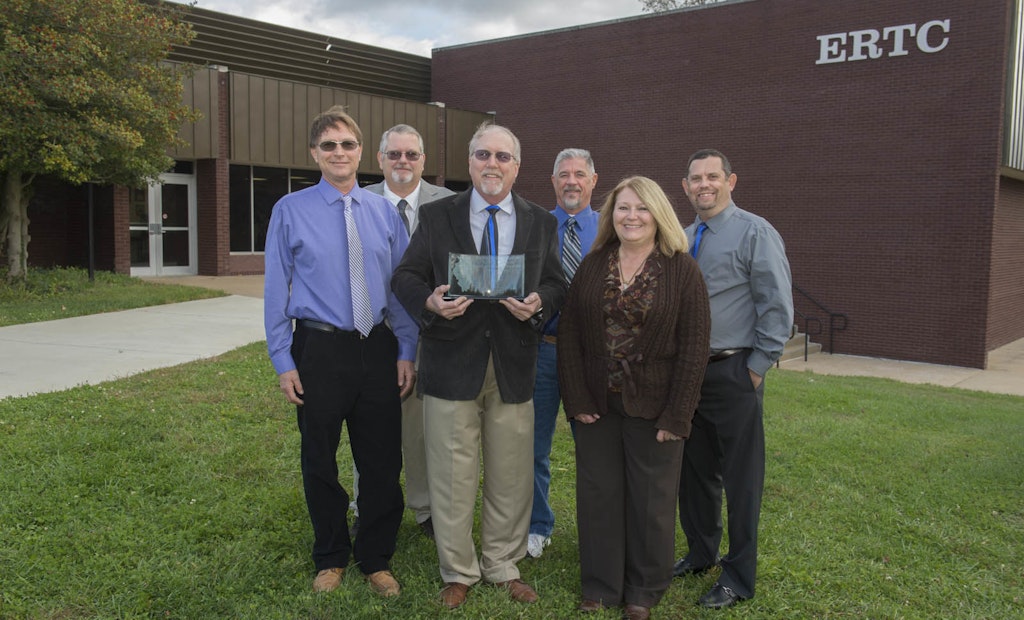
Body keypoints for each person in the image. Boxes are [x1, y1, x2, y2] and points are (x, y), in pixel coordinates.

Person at [391, 123, 568, 609]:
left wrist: (538, 304)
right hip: (450, 360)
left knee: (512, 469)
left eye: (503, 157)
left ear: (516, 166)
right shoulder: (437, 215)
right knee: (451, 471)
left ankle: (503, 564)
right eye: (483, 155)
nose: (493, 164)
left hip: (513, 362)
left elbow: (556, 284)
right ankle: (459, 570)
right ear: (470, 163)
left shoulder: (540, 222)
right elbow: (405, 274)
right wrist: (428, 301)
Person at [263, 105, 418, 597]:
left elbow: (400, 288)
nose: (338, 153)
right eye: (328, 145)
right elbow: (275, 289)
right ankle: (330, 555)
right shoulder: (289, 210)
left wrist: (406, 348)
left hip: (377, 348)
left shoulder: (382, 213)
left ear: (361, 152)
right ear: (314, 153)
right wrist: (283, 360)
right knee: (319, 458)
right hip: (319, 350)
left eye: (346, 144)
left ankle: (375, 557)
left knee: (380, 462)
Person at [557, 176, 710, 620]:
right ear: (610, 215)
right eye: (623, 208)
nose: (632, 216)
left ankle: (643, 590)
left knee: (651, 500)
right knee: (598, 494)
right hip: (597, 403)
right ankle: (601, 587)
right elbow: (569, 333)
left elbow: (695, 346)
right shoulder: (594, 263)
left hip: (657, 404)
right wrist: (577, 398)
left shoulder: (682, 269)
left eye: (641, 208)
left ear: (658, 214)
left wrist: (678, 414)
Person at [674, 149, 794, 609]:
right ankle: (702, 553)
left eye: (712, 177)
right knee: (696, 472)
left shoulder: (755, 232)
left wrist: (756, 367)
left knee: (742, 480)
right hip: (689, 374)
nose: (704, 185)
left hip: (734, 369)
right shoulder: (683, 238)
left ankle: (739, 577)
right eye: (695, 178)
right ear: (684, 187)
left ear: (731, 181)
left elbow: (776, 304)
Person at [349, 124, 455, 541]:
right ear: (380, 159)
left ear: (424, 160)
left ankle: (426, 508)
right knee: (369, 422)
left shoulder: (447, 204)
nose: (403, 162)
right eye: (394, 154)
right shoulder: (358, 201)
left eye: (411, 154)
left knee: (428, 426)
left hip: (436, 335)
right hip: (374, 332)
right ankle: (366, 503)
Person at [527, 148, 600, 559]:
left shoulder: (612, 227)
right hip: (541, 351)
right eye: (563, 174)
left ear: (593, 180)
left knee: (594, 448)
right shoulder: (533, 225)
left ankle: (598, 529)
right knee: (532, 446)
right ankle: (537, 525)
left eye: (579, 174)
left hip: (591, 358)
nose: (571, 181)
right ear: (552, 181)